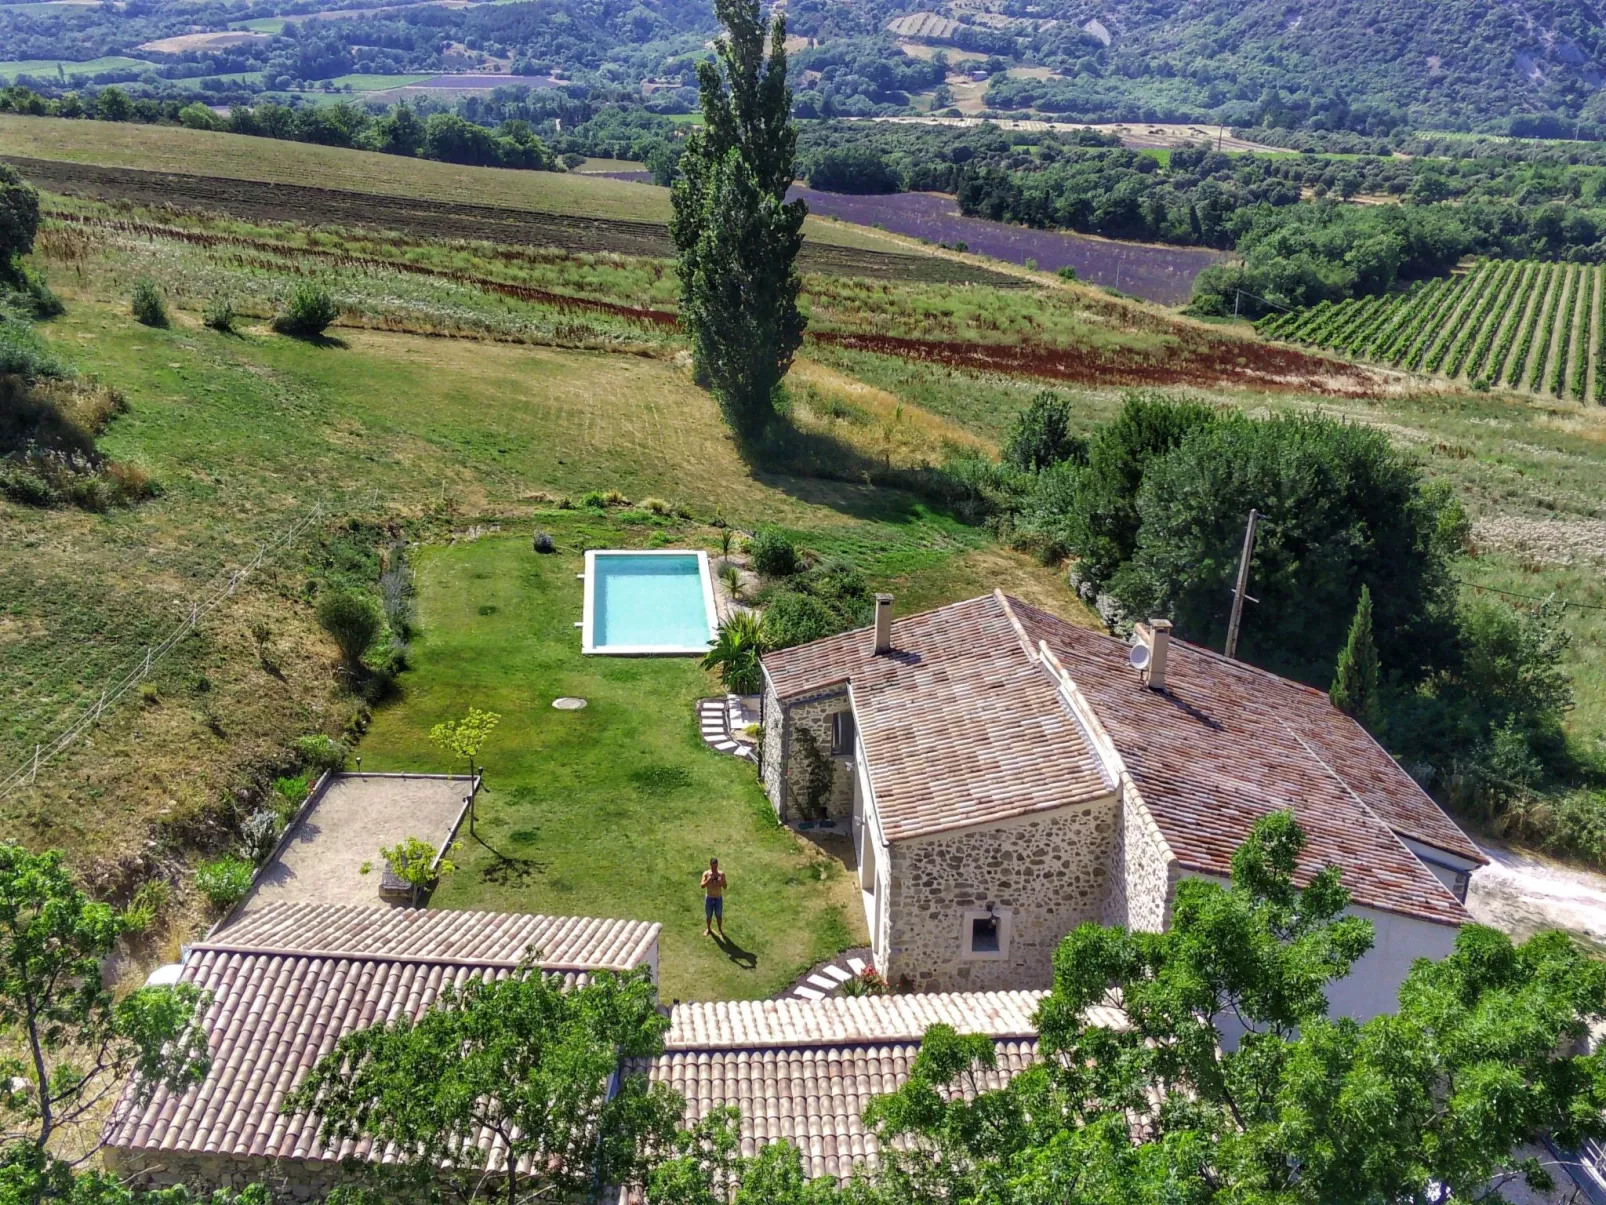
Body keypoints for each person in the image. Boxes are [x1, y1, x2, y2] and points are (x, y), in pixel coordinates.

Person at [701, 857, 726, 938]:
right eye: (713, 866)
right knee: (709, 915)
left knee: (719, 915)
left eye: (715, 866)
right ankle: (708, 929)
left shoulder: (721, 874)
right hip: (709, 897)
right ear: (710, 865)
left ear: (717, 865)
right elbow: (702, 885)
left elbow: (725, 886)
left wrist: (721, 882)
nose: (714, 868)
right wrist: (708, 879)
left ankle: (720, 930)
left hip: (718, 898)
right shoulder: (706, 873)